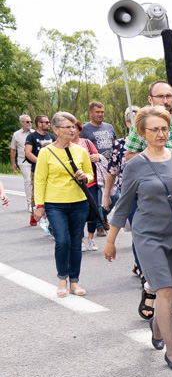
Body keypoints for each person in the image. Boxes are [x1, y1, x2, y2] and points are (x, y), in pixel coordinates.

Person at [105, 106, 172, 372]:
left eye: (164, 128)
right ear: (142, 133)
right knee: (165, 291)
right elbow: (123, 206)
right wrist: (111, 240)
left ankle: (157, 328)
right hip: (147, 236)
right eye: (154, 129)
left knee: (171, 292)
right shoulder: (135, 165)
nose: (161, 133)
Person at [31, 112, 93, 298]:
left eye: (73, 127)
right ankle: (62, 279)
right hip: (54, 204)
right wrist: (39, 205)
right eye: (67, 127)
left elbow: (91, 175)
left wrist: (84, 176)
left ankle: (74, 282)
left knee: (76, 242)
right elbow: (40, 180)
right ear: (56, 130)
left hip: (79, 203)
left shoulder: (81, 150)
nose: (72, 130)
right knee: (62, 241)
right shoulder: (46, 152)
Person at [72, 120, 105, 251]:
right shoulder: (65, 146)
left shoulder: (87, 143)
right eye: (71, 128)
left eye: (76, 128)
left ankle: (91, 238)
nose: (73, 131)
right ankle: (80, 239)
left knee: (93, 210)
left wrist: (96, 158)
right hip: (75, 185)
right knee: (79, 212)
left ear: (80, 130)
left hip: (91, 182)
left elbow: (98, 156)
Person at [25, 115, 55, 220]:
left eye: (49, 122)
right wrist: (41, 161)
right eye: (46, 122)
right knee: (36, 191)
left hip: (52, 170)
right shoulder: (32, 137)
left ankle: (49, 214)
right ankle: (34, 214)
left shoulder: (52, 137)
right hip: (37, 169)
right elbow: (28, 153)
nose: (48, 124)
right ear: (39, 124)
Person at [10, 114, 34, 225]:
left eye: (30, 121)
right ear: (22, 123)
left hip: (35, 160)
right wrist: (13, 164)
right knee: (28, 181)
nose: (29, 124)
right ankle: (30, 203)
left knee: (36, 182)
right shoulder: (16, 135)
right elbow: (13, 150)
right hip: (23, 161)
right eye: (27, 122)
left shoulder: (34, 133)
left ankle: (37, 202)